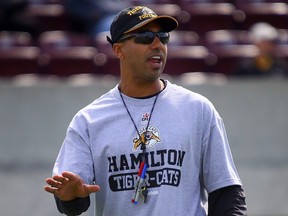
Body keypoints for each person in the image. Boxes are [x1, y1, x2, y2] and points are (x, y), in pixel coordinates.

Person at [44, 5, 247, 216]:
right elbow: (73, 201)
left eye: (163, 36)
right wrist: (70, 196)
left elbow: (227, 193)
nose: (158, 44)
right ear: (118, 49)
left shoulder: (198, 109)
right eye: (145, 37)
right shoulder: (88, 120)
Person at [63, 0, 131, 37]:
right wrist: (92, 13)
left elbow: (123, 5)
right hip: (100, 23)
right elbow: (74, 8)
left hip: (122, 16)